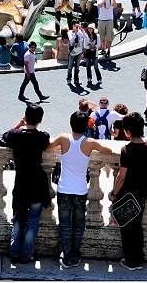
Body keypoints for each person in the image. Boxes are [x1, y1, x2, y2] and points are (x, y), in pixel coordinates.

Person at [47, 111, 114, 268]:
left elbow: (48, 148)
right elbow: (108, 151)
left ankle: (67, 254)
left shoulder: (63, 139)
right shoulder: (89, 142)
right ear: (86, 127)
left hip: (64, 190)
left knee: (64, 224)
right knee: (78, 225)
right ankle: (75, 255)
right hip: (80, 191)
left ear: (71, 125)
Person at [0, 105, 52, 264]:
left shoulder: (15, 135)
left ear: (25, 117)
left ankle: (14, 252)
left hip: (21, 182)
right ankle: (26, 254)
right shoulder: (43, 136)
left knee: (19, 219)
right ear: (40, 120)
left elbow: (2, 136)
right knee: (33, 220)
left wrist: (19, 124)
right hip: (37, 183)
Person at [108, 112, 147, 271]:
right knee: (137, 227)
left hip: (126, 194)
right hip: (141, 193)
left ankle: (130, 260)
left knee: (126, 227)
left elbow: (121, 177)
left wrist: (114, 194)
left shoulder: (126, 149)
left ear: (127, 131)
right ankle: (138, 259)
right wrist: (145, 185)